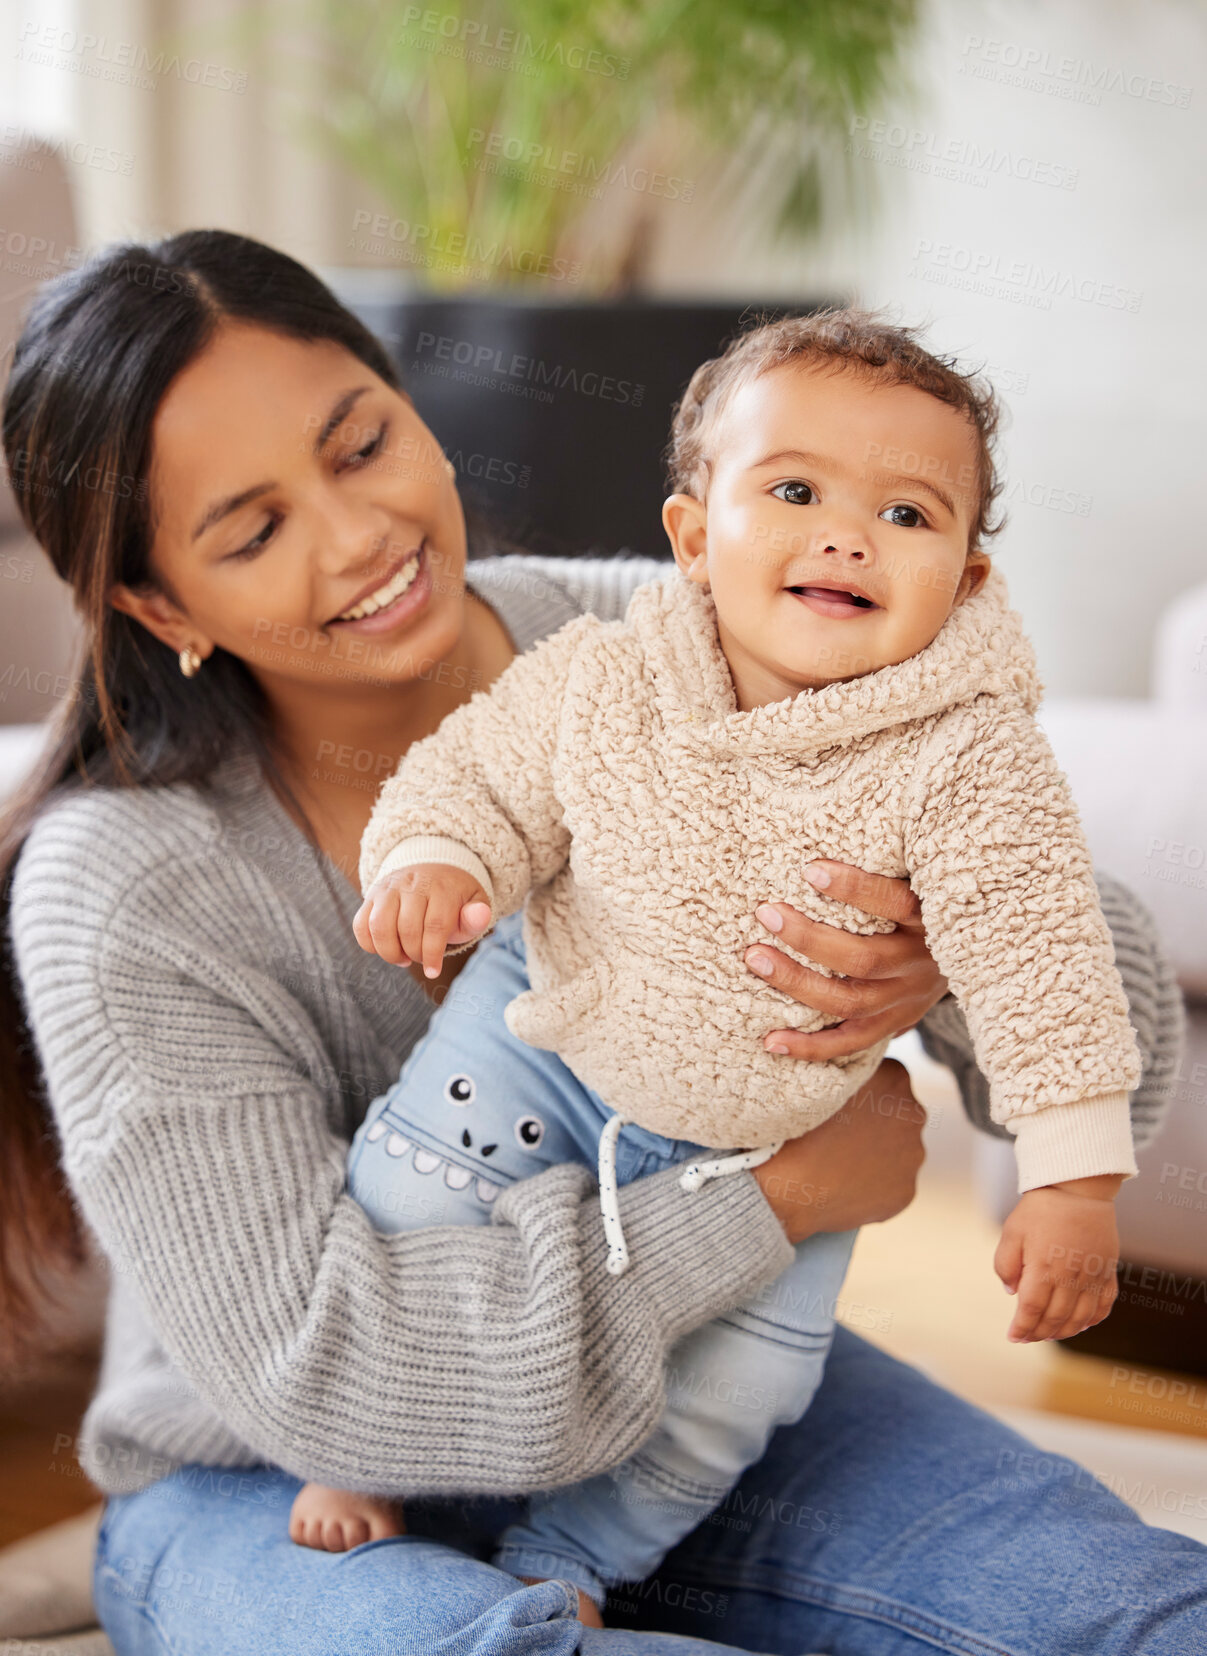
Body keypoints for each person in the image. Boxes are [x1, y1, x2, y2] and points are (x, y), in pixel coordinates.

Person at [0, 230, 1199, 1656]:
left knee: (1130, 1611)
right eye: (252, 530)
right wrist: (777, 1202)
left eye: (361, 442)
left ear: (414, 409)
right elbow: (309, 1371)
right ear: (159, 604)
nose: (358, 535)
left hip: (684, 1389)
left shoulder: (679, 634)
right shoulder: (124, 882)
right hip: (272, 1472)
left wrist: (940, 952)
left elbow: (1080, 995)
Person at [291, 313, 1141, 1617]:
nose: (847, 535)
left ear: (967, 579)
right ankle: (368, 1451)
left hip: (776, 1130)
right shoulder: (601, 676)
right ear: (695, 537)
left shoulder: (969, 757)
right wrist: (437, 861)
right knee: (405, 1206)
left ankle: (569, 1558)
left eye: (906, 515)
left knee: (738, 1397)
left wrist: (1072, 1181)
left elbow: (1040, 954)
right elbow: (478, 775)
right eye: (793, 492)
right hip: (549, 1043)